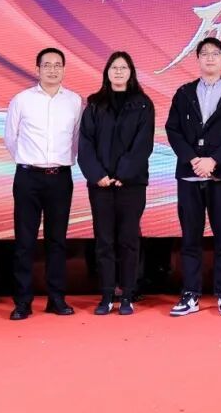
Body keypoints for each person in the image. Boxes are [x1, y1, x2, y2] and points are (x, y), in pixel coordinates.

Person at [165, 37, 221, 317]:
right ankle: (190, 294)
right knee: (190, 238)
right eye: (205, 54)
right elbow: (173, 130)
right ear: (198, 59)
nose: (210, 58)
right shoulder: (184, 93)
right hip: (189, 175)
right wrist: (193, 160)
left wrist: (213, 161)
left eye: (215, 54)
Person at [3, 47, 83, 321]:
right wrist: (28, 161)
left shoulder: (74, 101)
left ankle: (56, 298)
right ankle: (23, 302)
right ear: (37, 69)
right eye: (47, 65)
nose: (52, 69)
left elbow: (75, 139)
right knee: (25, 241)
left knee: (57, 240)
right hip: (28, 177)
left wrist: (62, 162)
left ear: (64, 69)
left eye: (57, 65)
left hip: (60, 177)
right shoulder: (22, 100)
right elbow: (10, 138)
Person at [78, 52, 155, 316]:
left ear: (131, 72)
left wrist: (124, 174)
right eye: (114, 67)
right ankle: (107, 295)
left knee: (128, 239)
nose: (119, 72)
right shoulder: (94, 104)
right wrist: (97, 175)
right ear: (107, 72)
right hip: (100, 185)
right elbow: (85, 144)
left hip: (131, 185)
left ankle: (128, 295)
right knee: (104, 241)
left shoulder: (143, 104)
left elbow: (143, 144)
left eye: (123, 67)